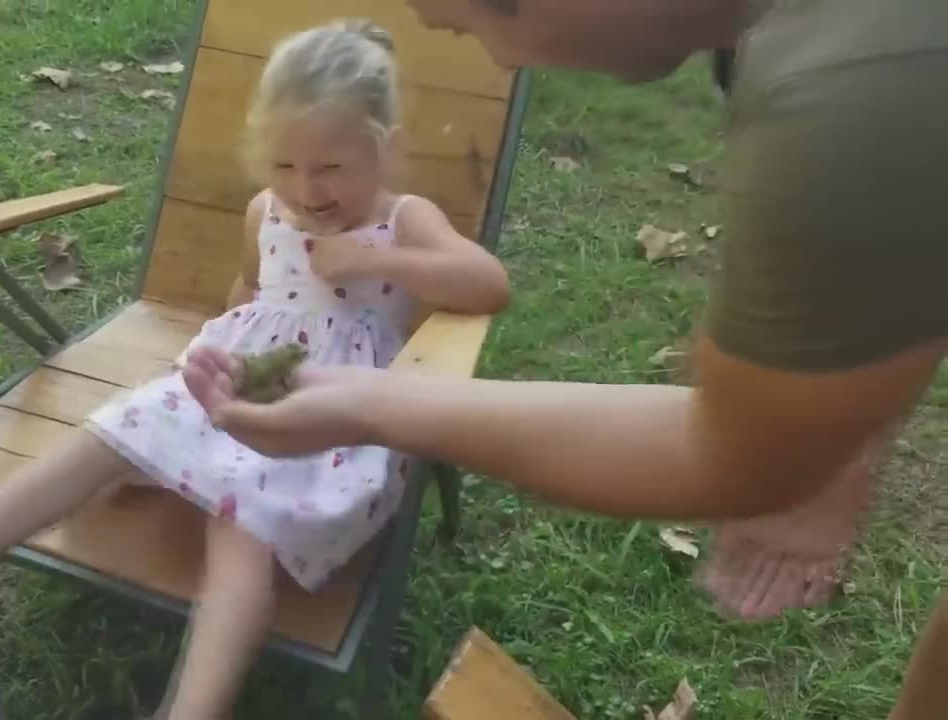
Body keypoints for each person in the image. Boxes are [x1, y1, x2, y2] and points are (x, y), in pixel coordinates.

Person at [179, 1, 947, 717]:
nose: (507, 67)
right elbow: (906, 250)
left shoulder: (849, 90)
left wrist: (360, 402)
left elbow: (741, 454)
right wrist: (835, 448)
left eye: (479, 27)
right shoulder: (820, 49)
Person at [0, 18, 510, 720]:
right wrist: (201, 358)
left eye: (331, 168)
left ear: (386, 149)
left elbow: (489, 284)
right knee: (107, 432)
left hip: (332, 415)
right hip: (236, 377)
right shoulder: (266, 212)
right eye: (285, 167)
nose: (307, 190)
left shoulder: (404, 220)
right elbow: (250, 295)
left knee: (241, 527)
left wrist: (378, 260)